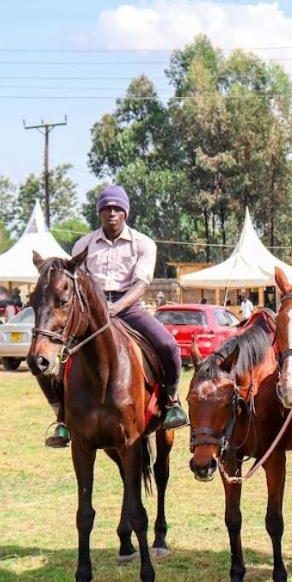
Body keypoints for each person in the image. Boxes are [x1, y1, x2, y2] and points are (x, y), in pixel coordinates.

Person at [42, 185, 188, 448]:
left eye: (117, 208)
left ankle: (171, 402)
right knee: (56, 357)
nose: (112, 212)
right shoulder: (83, 244)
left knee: (168, 346)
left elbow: (142, 283)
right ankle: (63, 418)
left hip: (129, 306)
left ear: (126, 213)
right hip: (90, 312)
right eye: (106, 207)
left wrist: (117, 307)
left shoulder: (143, 243)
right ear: (99, 212)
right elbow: (74, 283)